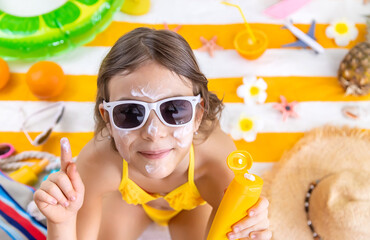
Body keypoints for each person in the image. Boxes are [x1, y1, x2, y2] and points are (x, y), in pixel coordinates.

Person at [33, 27, 271, 240]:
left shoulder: (216, 161)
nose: (153, 132)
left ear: (198, 115)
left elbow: (240, 232)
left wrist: (249, 230)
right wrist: (61, 223)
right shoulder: (97, 162)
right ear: (108, 120)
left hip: (192, 209)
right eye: (129, 113)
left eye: (174, 109)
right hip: (127, 205)